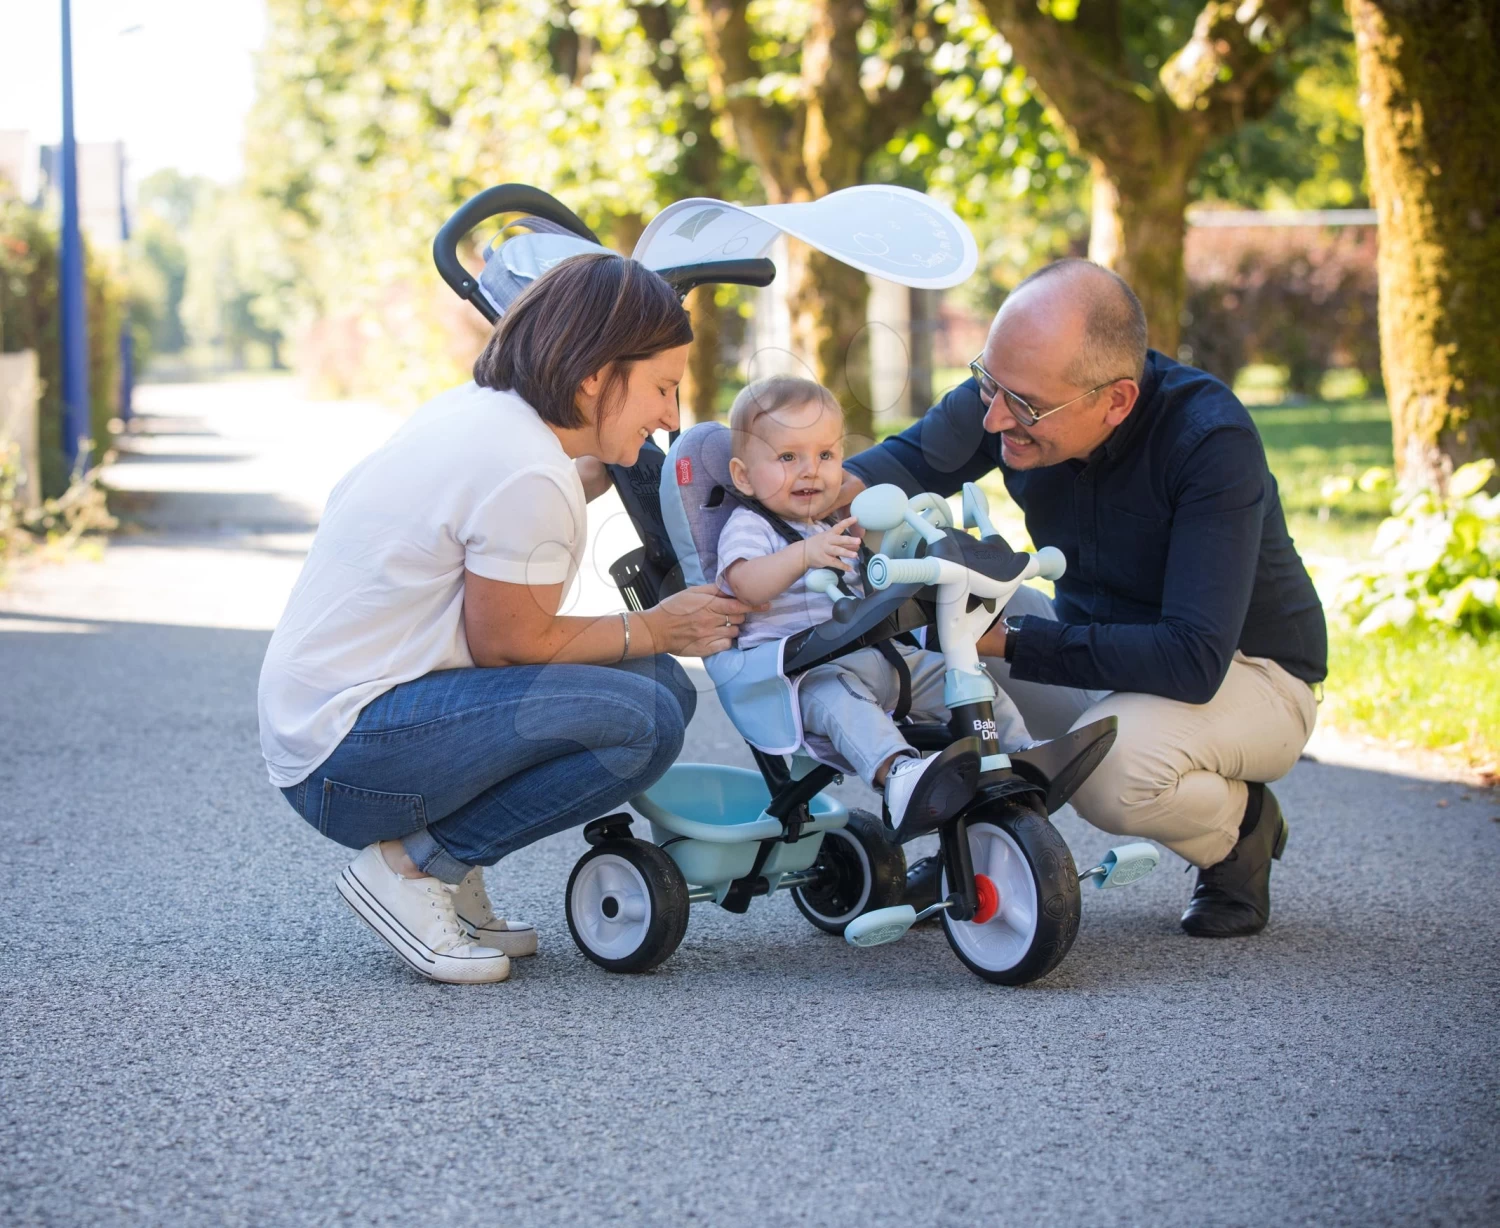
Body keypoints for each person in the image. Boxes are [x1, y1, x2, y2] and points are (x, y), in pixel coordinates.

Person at [258, 253, 755, 984]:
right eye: (662, 387)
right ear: (594, 376)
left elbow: (511, 516)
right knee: (644, 718)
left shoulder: (486, 416)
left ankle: (442, 867)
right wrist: (662, 626)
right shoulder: (525, 467)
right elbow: (511, 643)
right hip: (346, 757)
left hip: (338, 723)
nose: (672, 416)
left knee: (662, 692)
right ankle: (413, 869)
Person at [842, 259, 1326, 938]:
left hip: (1251, 676)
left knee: (1111, 770)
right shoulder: (1014, 387)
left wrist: (1007, 642)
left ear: (1116, 400)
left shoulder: (1211, 442)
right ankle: (975, 849)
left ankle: (1240, 831)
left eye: (1026, 406)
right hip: (1104, 659)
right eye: (989, 383)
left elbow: (1192, 658)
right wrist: (788, 505)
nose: (995, 415)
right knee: (936, 628)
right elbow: (894, 466)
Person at [715, 375, 1036, 834]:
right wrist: (804, 554)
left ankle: (1021, 752)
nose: (810, 470)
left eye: (825, 455)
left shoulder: (836, 523)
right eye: (788, 457)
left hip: (878, 657)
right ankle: (900, 774)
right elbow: (745, 585)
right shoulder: (750, 526)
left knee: (962, 677)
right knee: (846, 706)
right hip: (803, 677)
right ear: (743, 476)